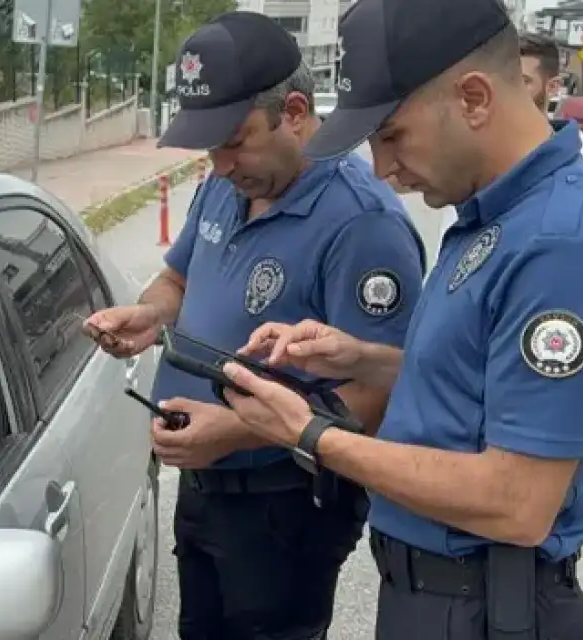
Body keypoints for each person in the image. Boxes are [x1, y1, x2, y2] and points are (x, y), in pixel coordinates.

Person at [218, 0, 583, 638]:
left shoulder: (564, 245)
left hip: (480, 604)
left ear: (474, 99)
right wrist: (361, 358)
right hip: (442, 595)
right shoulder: (496, 213)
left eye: (391, 135)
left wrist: (309, 432)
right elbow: (482, 384)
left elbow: (517, 502)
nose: (382, 169)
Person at [85, 12, 425, 639]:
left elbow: (380, 391)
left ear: (293, 113)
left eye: (234, 141)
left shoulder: (362, 223)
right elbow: (177, 279)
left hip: (285, 504)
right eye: (210, 147)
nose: (220, 163)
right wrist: (151, 314)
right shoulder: (229, 184)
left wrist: (236, 432)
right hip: (207, 481)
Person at [520, 33, 583, 189]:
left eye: (522, 81)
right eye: (505, 81)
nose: (509, 91)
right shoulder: (485, 152)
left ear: (553, 87)